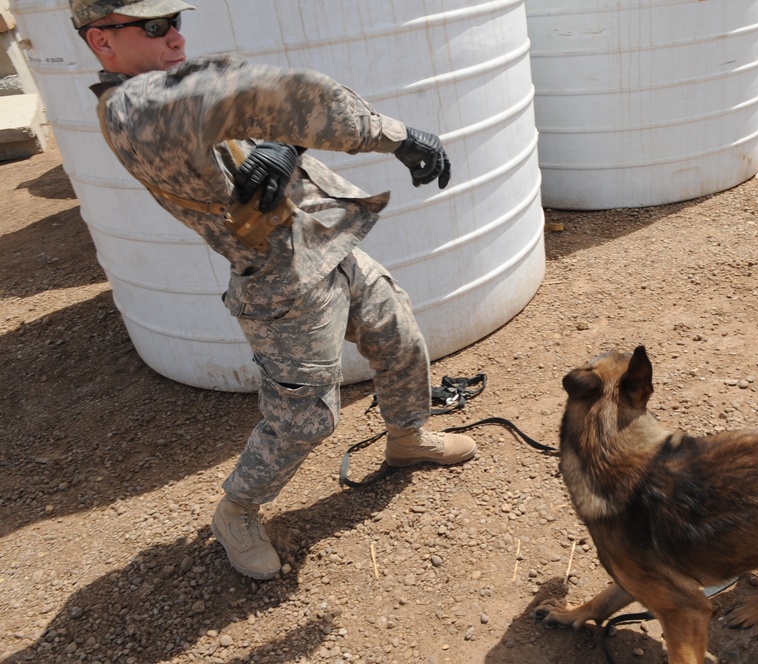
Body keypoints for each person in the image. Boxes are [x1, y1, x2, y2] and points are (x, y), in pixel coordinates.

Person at [70, 0, 477, 580]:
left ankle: (408, 437)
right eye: (155, 28)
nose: (176, 38)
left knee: (399, 335)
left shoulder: (173, 87)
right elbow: (288, 97)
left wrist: (286, 144)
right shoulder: (140, 109)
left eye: (176, 22)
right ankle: (237, 512)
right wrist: (397, 136)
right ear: (101, 42)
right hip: (279, 281)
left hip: (323, 242)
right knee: (304, 418)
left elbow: (276, 123)